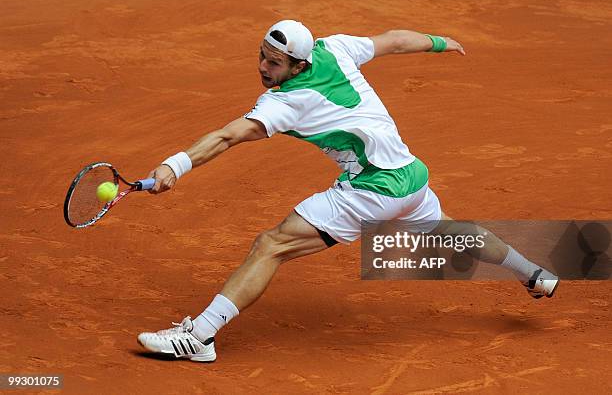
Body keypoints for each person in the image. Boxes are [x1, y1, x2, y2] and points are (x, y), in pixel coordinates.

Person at [137, 20, 559, 362]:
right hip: (411, 177)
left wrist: (176, 165)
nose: (265, 68)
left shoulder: (284, 102)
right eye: (262, 57)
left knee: (271, 245)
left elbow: (228, 137)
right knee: (450, 230)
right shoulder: (335, 47)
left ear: (299, 65)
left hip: (371, 188)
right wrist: (438, 41)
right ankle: (534, 274)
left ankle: (200, 338)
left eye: (276, 64)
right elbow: (393, 40)